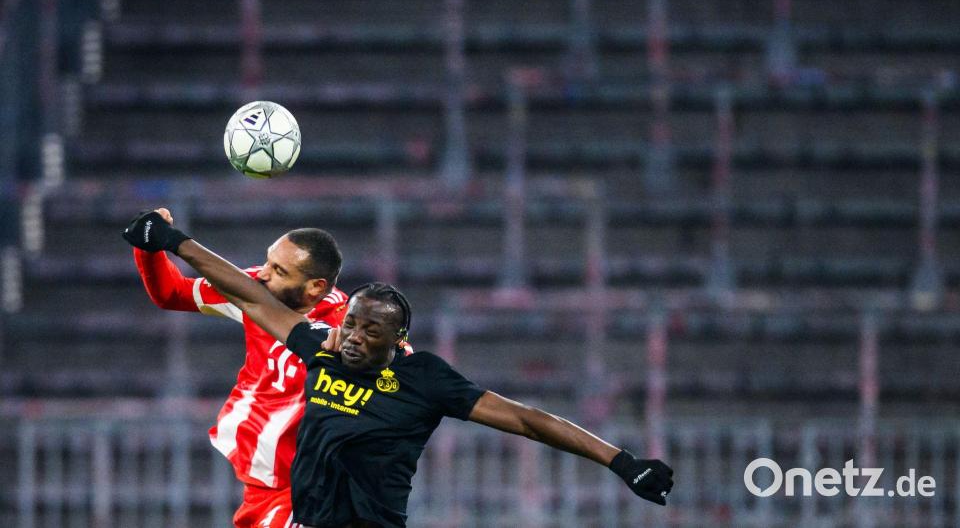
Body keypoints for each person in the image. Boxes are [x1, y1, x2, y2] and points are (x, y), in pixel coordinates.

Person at [124, 210, 674, 528]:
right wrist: (163, 243)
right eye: (352, 329)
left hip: (308, 503)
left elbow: (526, 419)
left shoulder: (410, 373)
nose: (354, 341)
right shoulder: (315, 340)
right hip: (265, 488)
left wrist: (621, 461)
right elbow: (231, 292)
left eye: (370, 333)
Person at [131, 208, 350, 528]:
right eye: (267, 261)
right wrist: (147, 246)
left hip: (310, 489)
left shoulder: (349, 331)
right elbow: (172, 292)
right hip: (259, 487)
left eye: (279, 270)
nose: (262, 273)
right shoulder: (253, 292)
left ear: (315, 287)